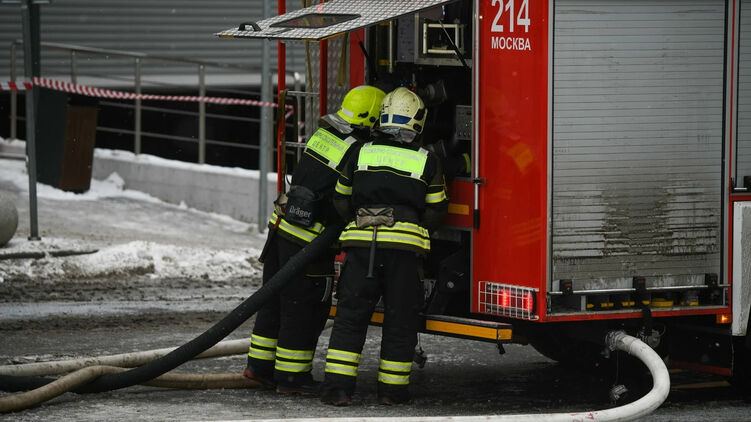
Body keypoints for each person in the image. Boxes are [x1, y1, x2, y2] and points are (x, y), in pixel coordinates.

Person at [244, 85, 386, 395]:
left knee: (274, 302)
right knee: (303, 309)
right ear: (372, 118)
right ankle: (292, 377)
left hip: (280, 229)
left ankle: (260, 367)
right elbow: (348, 196)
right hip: (308, 242)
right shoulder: (357, 150)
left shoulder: (323, 135)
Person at [320, 87, 448, 406]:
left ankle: (337, 390)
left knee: (350, 317)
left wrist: (363, 218)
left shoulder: (359, 152)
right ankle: (391, 392)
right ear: (417, 122)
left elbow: (340, 199)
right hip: (404, 254)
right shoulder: (427, 159)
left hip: (361, 249)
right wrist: (410, 223)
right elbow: (437, 210)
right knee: (400, 320)